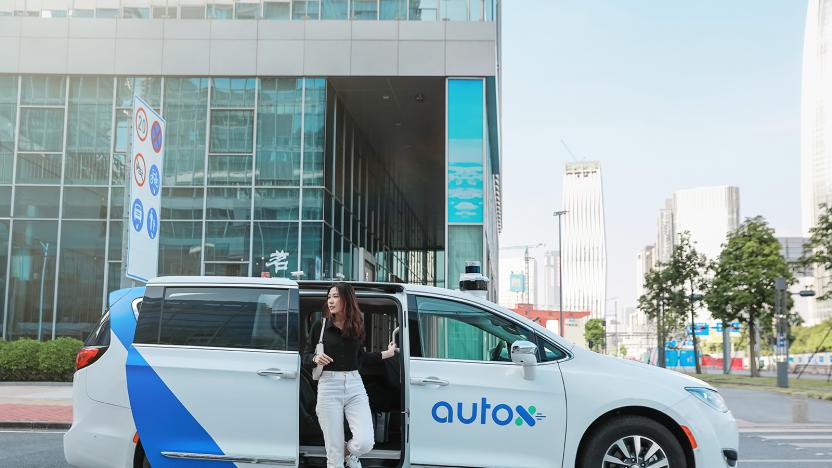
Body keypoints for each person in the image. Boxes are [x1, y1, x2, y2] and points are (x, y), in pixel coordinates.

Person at [303, 283, 398, 468]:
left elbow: (361, 359)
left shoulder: (356, 325)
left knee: (365, 442)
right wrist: (315, 358)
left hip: (355, 384)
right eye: (329, 296)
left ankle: (349, 453)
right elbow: (305, 356)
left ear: (347, 299)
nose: (330, 300)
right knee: (334, 455)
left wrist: (388, 353)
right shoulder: (320, 326)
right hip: (329, 386)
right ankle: (339, 453)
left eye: (335, 296)